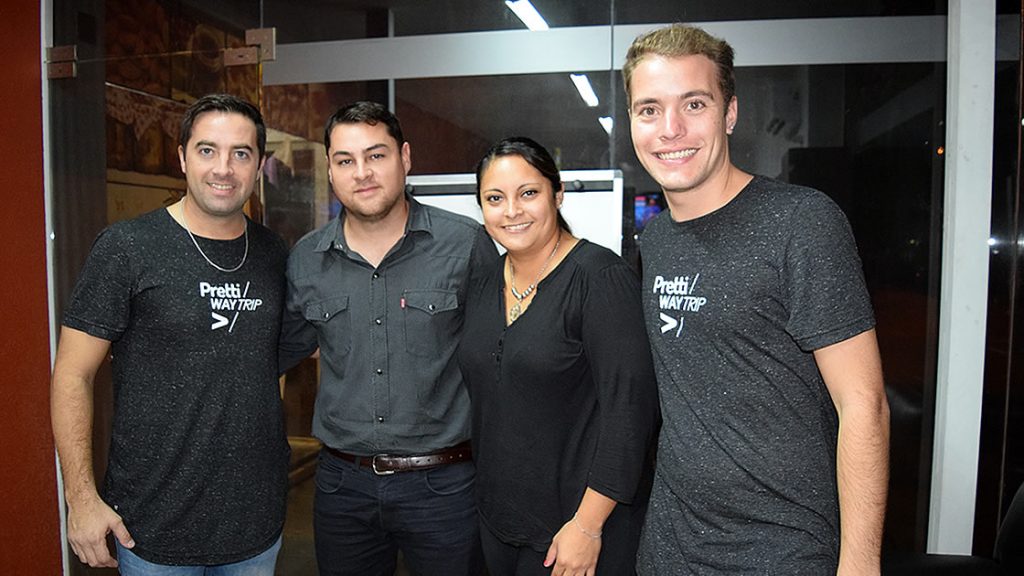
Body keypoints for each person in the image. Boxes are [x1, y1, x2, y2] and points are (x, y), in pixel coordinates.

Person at [624, 24, 891, 575]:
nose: (670, 129)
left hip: (783, 549)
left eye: (693, 104)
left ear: (730, 113)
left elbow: (864, 406)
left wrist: (861, 564)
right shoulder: (654, 240)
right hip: (671, 547)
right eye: (648, 109)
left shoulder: (803, 222)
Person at [50, 93, 289, 574]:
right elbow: (72, 375)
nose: (223, 168)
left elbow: (270, 366)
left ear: (259, 164)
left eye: (240, 153)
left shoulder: (275, 253)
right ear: (181, 157)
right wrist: (81, 498)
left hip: (256, 527)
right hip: (150, 528)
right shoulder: (127, 247)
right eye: (207, 150)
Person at [278, 101, 496, 576]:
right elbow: (272, 351)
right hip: (341, 487)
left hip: (444, 485)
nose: (362, 173)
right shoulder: (307, 260)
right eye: (345, 160)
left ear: (405, 158)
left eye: (376, 155)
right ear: (331, 172)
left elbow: (504, 358)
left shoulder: (465, 244)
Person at [458, 136, 660, 576]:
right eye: (495, 198)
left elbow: (630, 415)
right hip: (497, 521)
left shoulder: (601, 279)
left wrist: (587, 527)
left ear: (558, 193)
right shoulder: (484, 279)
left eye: (528, 193)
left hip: (574, 531)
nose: (512, 210)